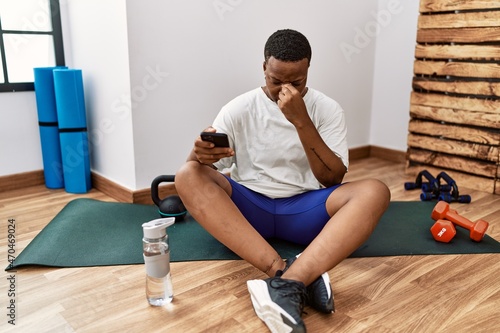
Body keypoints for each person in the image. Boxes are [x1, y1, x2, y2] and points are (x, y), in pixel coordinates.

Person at [175, 29, 390, 333]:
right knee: (186, 173)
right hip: (250, 210)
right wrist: (199, 154)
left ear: (308, 72)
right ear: (264, 68)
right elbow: (196, 179)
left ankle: (289, 283)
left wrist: (301, 120)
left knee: (375, 191)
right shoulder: (238, 108)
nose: (283, 90)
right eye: (275, 81)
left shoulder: (327, 109)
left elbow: (331, 178)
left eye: (295, 83)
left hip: (305, 210)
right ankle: (283, 272)